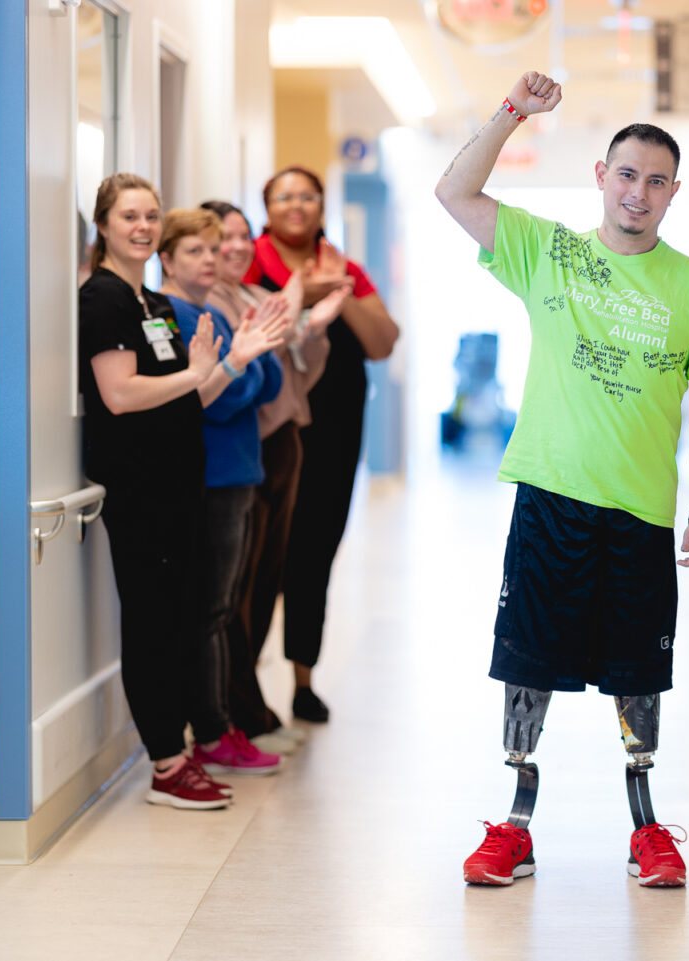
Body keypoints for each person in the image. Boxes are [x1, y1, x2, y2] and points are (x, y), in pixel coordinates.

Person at [435, 71, 689, 888]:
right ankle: (515, 822)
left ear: (675, 193)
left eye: (657, 180)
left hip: (640, 513)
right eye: (627, 174)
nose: (638, 192)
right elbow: (454, 190)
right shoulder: (550, 250)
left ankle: (647, 828)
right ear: (602, 179)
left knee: (639, 673)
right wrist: (511, 113)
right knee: (528, 659)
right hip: (551, 498)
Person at [79, 174, 229, 809]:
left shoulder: (156, 305)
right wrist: (194, 374)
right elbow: (119, 395)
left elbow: (185, 396)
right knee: (150, 625)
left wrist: (225, 364)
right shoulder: (104, 299)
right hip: (139, 493)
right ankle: (167, 761)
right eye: (129, 216)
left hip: (179, 488)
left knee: (178, 621)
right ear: (105, 225)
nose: (143, 226)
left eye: (151, 215)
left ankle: (181, 749)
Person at [245, 166, 400, 724]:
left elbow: (383, 342)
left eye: (308, 195)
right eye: (284, 195)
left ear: (321, 204)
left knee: (315, 552)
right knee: (261, 555)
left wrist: (341, 291)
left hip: (334, 434)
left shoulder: (346, 268)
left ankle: (303, 681)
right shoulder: (247, 262)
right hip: (267, 431)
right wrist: (302, 292)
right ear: (267, 206)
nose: (297, 205)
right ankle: (244, 685)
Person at [202, 199, 350, 753]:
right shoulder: (212, 304)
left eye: (243, 236)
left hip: (280, 442)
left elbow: (299, 369)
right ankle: (240, 710)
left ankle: (250, 706)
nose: (236, 247)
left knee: (265, 582)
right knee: (236, 592)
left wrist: (313, 324)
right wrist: (294, 317)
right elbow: (249, 379)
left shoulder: (253, 297)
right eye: (223, 239)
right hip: (250, 448)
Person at [157, 206, 290, 777]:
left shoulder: (211, 312)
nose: (211, 260)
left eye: (215, 251)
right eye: (196, 251)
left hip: (238, 473)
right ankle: (210, 730)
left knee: (222, 606)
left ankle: (217, 724)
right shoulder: (182, 317)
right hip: (212, 478)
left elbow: (269, 383)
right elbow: (215, 401)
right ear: (166, 258)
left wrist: (246, 363)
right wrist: (243, 364)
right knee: (210, 609)